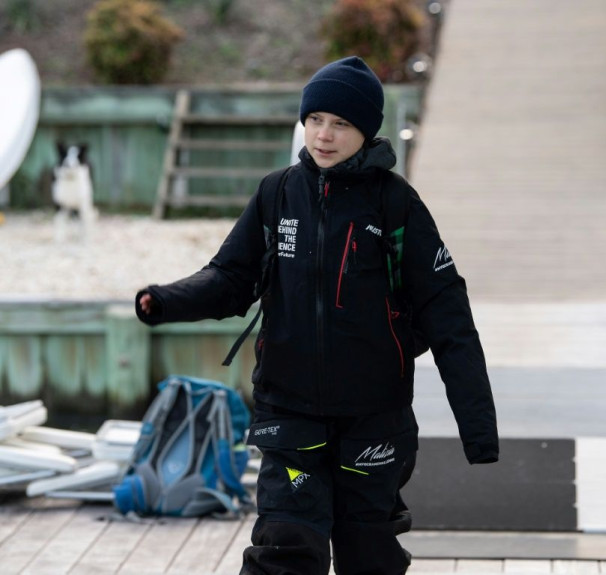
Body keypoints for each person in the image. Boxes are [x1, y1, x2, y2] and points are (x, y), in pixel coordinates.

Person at [136, 56, 498, 575]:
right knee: (283, 549)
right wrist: (167, 300)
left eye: (341, 123)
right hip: (289, 414)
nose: (324, 135)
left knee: (368, 555)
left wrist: (478, 429)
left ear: (366, 129)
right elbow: (231, 278)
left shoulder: (396, 205)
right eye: (315, 119)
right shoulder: (277, 193)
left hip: (373, 420)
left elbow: (449, 315)